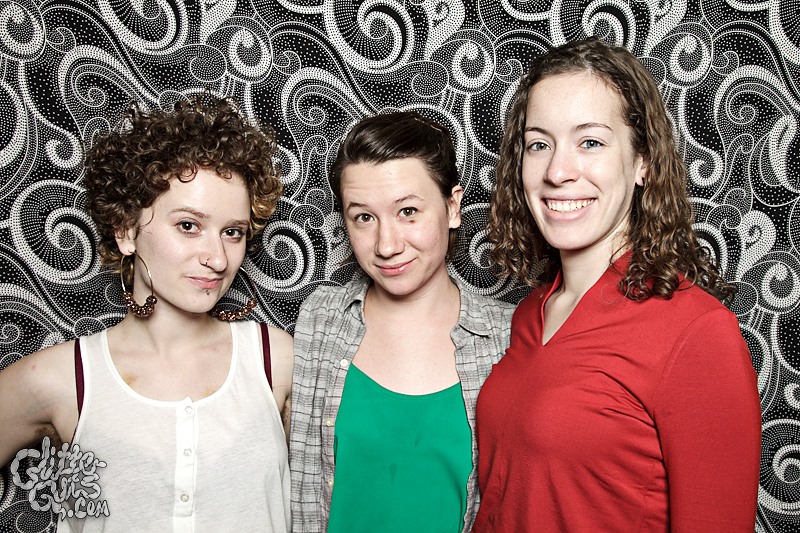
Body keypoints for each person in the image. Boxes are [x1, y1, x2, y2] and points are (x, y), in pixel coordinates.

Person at [473, 37, 762, 532]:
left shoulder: (697, 332)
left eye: (590, 142)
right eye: (539, 144)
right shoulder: (530, 314)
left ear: (642, 162)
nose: (558, 171)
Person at [0, 97, 293, 532]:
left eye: (232, 232)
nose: (217, 258)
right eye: (189, 225)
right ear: (126, 230)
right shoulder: (58, 377)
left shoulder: (278, 361)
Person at [289, 111, 515, 533]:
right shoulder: (320, 320)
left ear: (452, 207)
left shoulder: (509, 337)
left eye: (408, 211)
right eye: (364, 217)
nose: (387, 245)